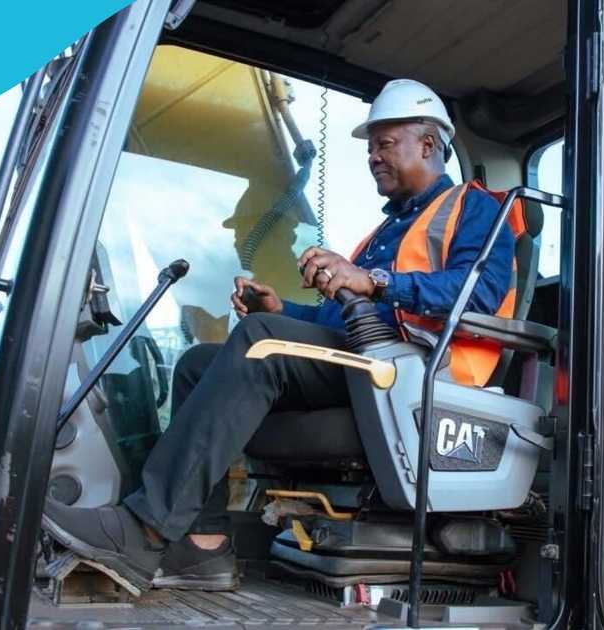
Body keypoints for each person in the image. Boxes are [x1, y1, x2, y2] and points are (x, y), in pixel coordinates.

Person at [44, 79, 516, 591]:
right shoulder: (382, 233)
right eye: (370, 147)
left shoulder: (475, 208)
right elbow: (342, 319)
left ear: (427, 144)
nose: (373, 157)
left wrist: (375, 281)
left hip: (419, 375)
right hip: (367, 363)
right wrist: (282, 307)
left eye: (384, 144)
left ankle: (145, 529)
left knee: (261, 339)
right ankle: (203, 547)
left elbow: (480, 292)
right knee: (201, 361)